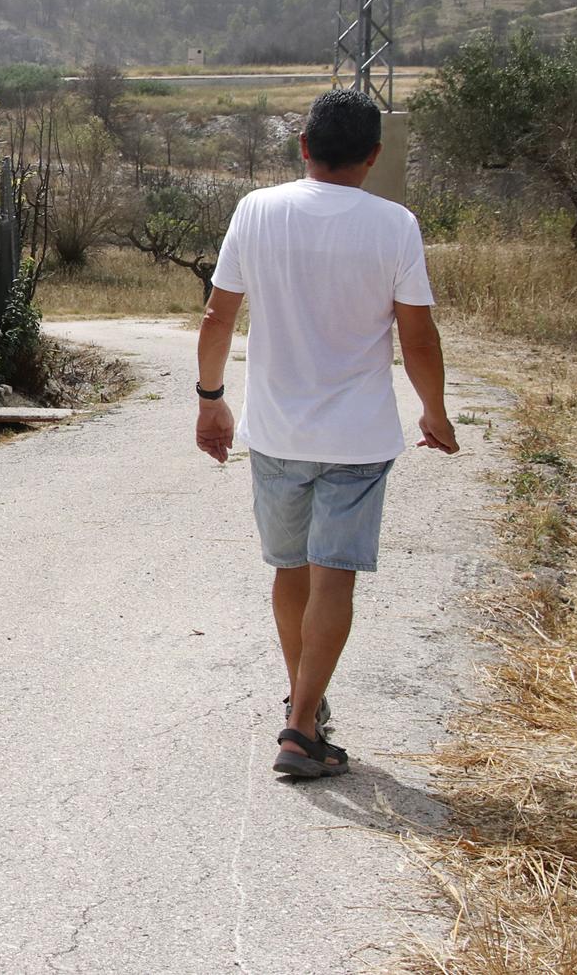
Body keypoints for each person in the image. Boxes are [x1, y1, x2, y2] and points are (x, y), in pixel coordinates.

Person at [194, 89, 459, 780]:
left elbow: (217, 318)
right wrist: (433, 410)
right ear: (372, 157)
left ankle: (302, 705)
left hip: (278, 431)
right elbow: (418, 334)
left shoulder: (256, 210)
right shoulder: (395, 224)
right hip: (358, 440)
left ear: (303, 145)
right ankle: (303, 721)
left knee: (290, 569)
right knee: (333, 573)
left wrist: (210, 399)